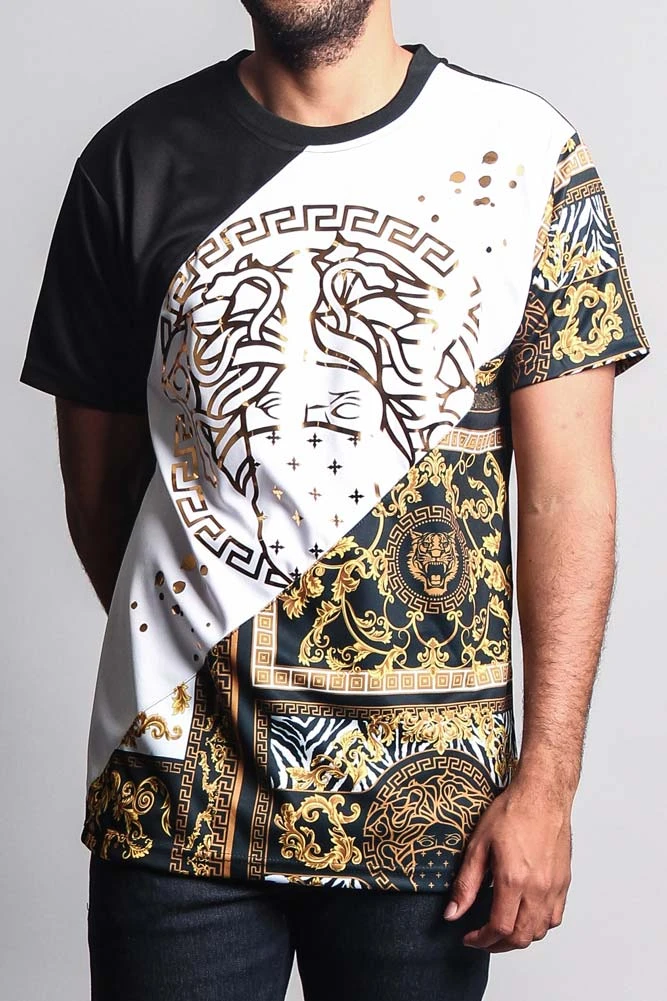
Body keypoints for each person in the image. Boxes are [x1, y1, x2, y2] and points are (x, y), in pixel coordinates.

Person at [18, 1, 650, 999]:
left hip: (428, 816)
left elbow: (568, 498)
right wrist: (196, 644)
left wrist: (548, 779)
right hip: (176, 799)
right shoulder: (132, 160)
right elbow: (96, 489)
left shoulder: (527, 154)